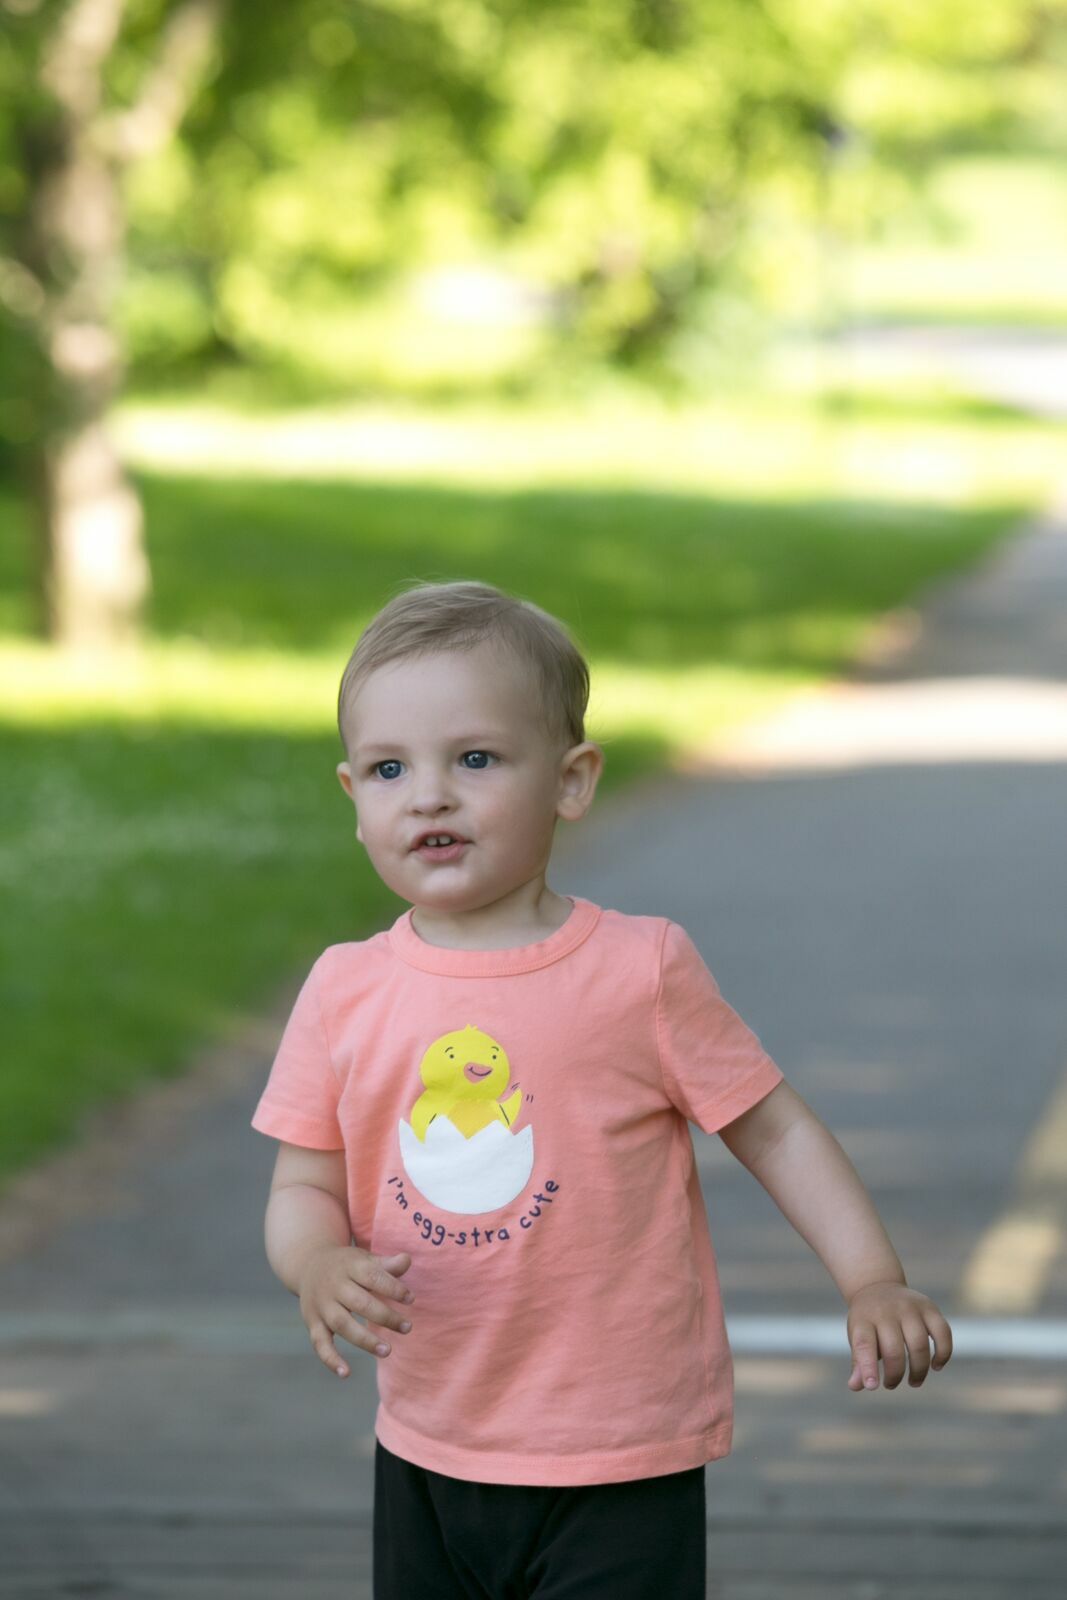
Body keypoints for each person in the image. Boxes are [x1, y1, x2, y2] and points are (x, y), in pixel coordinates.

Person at [250, 578, 954, 1599]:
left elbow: (774, 1131)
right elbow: (302, 1183)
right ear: (353, 796)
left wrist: (869, 1277)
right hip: (429, 1438)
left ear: (571, 781)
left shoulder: (638, 969)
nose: (430, 793)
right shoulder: (345, 987)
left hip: (621, 1450)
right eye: (389, 766)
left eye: (476, 758)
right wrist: (313, 1260)